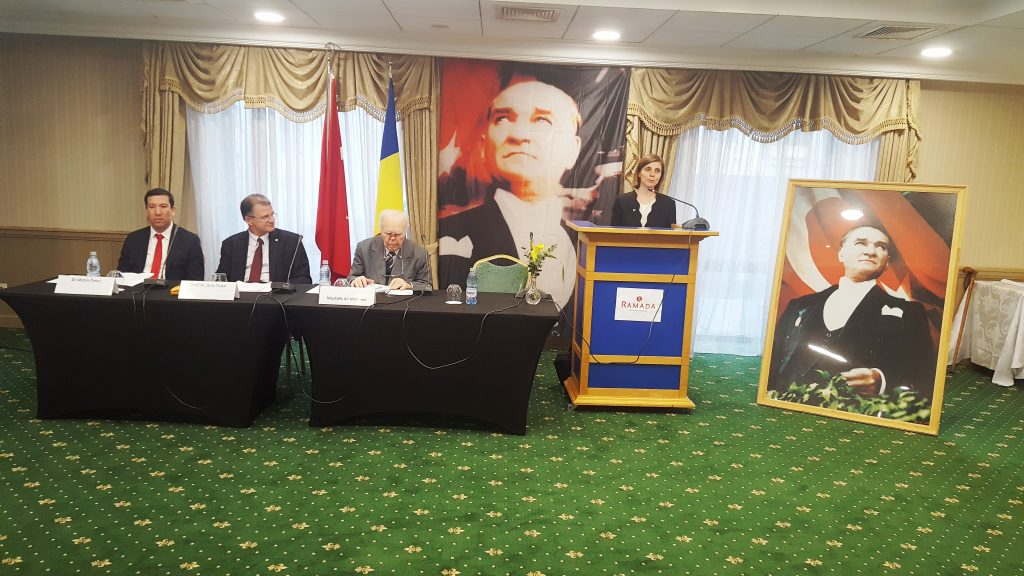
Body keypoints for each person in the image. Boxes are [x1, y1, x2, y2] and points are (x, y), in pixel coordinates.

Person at [438, 75, 581, 306]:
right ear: (483, 144)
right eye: (503, 118)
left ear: (572, 150)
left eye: (542, 120)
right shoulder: (454, 232)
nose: (519, 134)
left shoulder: (582, 242)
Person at [767, 225, 935, 399]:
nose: (871, 252)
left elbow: (922, 373)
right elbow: (774, 360)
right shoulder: (800, 306)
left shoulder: (910, 313)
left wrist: (882, 380)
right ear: (841, 254)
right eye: (861, 243)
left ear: (886, 263)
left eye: (881, 246)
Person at [215, 194, 311, 284]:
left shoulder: (292, 241)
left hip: (275, 294)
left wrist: (279, 288)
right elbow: (221, 279)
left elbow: (304, 279)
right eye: (265, 217)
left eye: (272, 214)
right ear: (249, 220)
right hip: (241, 294)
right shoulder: (231, 244)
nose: (272, 220)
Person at [117, 188, 204, 283]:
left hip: (172, 291)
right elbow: (121, 276)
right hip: (137, 290)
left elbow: (195, 281)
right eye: (152, 207)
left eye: (163, 206)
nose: (157, 212)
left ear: (173, 210)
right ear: (146, 211)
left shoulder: (190, 241)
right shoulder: (133, 239)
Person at [348, 210, 431, 290]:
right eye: (388, 233)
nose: (392, 238)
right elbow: (351, 277)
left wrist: (408, 285)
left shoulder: (419, 253)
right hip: (372, 298)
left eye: (398, 234)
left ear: (405, 232)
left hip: (403, 299)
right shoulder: (364, 248)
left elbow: (427, 285)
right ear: (381, 230)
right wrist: (356, 280)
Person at [610, 154, 677, 228]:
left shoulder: (668, 204)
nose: (652, 174)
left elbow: (670, 234)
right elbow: (614, 233)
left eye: (657, 171)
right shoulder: (622, 201)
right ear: (639, 173)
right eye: (648, 169)